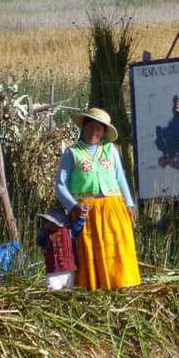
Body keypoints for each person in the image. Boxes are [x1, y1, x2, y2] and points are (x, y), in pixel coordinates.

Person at [54, 108, 140, 290]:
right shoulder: (72, 153)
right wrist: (73, 206)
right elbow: (60, 184)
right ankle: (96, 285)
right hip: (85, 210)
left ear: (103, 132)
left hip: (113, 206)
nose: (93, 133)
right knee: (91, 248)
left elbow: (120, 177)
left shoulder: (110, 150)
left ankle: (121, 283)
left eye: (98, 129)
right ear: (83, 128)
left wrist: (129, 204)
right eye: (89, 127)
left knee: (116, 246)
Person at [36, 207, 85, 290]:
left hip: (69, 271)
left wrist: (82, 216)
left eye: (50, 222)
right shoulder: (46, 234)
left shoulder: (69, 231)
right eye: (47, 222)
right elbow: (39, 242)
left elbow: (78, 224)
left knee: (70, 293)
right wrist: (41, 232)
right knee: (53, 294)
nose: (47, 224)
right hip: (52, 273)